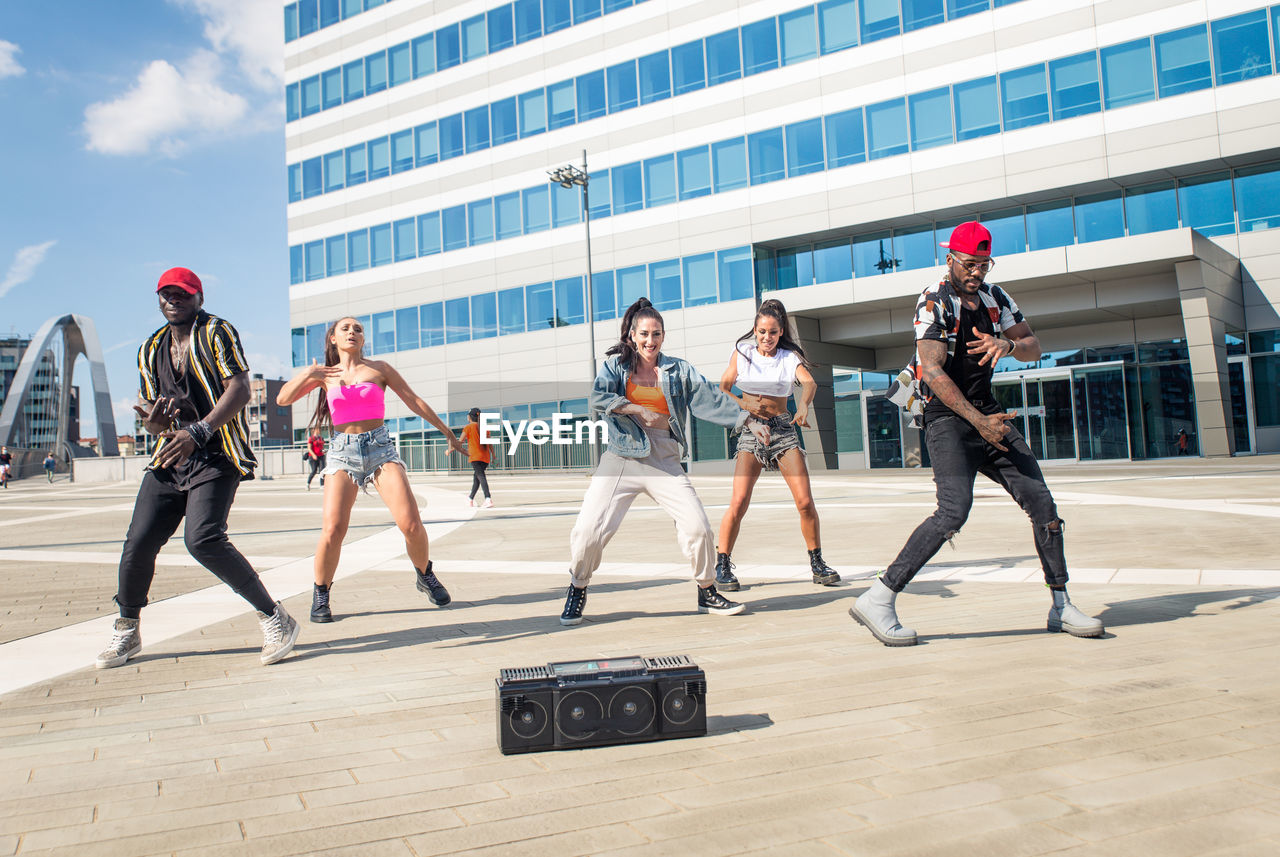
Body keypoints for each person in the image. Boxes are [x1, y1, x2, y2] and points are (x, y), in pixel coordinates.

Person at [850, 222, 1103, 646]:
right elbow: (931, 369)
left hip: (989, 414)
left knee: (1043, 504)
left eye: (984, 265)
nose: (977, 273)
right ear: (950, 259)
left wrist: (1009, 346)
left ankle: (1061, 605)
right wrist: (977, 422)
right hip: (946, 417)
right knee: (953, 511)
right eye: (969, 264)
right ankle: (879, 597)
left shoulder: (996, 297)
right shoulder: (934, 301)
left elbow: (1033, 344)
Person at [96, 267, 299, 669]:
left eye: (183, 294)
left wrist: (200, 430)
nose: (175, 301)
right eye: (167, 295)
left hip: (216, 451)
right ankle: (127, 627)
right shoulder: (149, 349)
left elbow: (239, 388)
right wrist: (153, 424)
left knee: (202, 539)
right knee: (138, 541)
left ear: (199, 298)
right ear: (158, 300)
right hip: (171, 455)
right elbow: (155, 419)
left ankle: (275, 617)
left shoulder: (217, 331)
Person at [560, 297, 771, 626]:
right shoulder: (616, 367)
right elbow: (597, 397)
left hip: (664, 458)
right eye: (644, 334)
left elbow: (710, 399)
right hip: (621, 456)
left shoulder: (678, 370)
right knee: (588, 530)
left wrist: (748, 420)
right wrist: (634, 408)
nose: (650, 341)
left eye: (656, 334)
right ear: (632, 335)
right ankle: (577, 587)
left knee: (698, 528)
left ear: (663, 336)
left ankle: (706, 591)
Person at [276, 316, 467, 623]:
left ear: (363, 340)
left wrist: (446, 431)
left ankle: (424, 574)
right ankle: (322, 592)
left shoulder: (379, 369)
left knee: (411, 524)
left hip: (380, 449)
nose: (353, 332)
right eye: (345, 329)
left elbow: (413, 400)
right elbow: (282, 398)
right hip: (342, 452)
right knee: (333, 530)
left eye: (358, 329)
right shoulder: (324, 375)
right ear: (334, 340)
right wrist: (309, 372)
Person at [714, 298, 840, 591]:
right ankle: (722, 564)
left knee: (805, 501)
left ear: (781, 331)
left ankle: (817, 563)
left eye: (772, 332)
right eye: (761, 332)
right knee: (739, 501)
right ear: (754, 331)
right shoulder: (742, 352)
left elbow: (809, 383)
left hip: (783, 430)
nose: (766, 338)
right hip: (751, 431)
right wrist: (743, 402)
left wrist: (804, 406)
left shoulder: (787, 358)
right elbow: (723, 388)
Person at [459, 407, 494, 508]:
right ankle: (470, 498)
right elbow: (490, 443)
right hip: (485, 457)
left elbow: (460, 442)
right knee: (477, 477)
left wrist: (450, 449)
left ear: (469, 417)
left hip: (475, 457)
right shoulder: (484, 428)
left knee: (480, 476)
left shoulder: (468, 427)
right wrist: (494, 455)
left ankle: (488, 498)